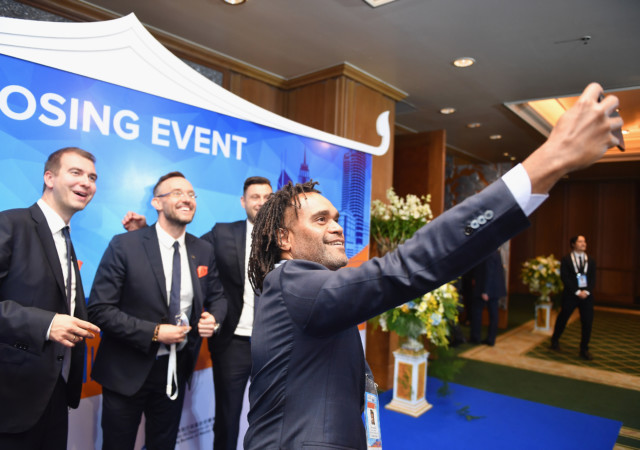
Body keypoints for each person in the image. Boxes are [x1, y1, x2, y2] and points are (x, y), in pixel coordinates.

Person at [243, 83, 622, 450]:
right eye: (321, 219)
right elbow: (407, 267)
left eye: (337, 217)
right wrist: (552, 158)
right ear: (284, 240)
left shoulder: (309, 290)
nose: (338, 226)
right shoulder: (290, 281)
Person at [88, 171, 227, 450]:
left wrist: (215, 319)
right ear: (156, 203)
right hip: (126, 369)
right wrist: (153, 332)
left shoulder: (203, 250)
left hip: (175, 370)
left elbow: (219, 297)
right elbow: (99, 309)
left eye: (191, 194)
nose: (186, 199)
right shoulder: (125, 245)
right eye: (177, 193)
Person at [0, 147, 101, 450]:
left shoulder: (65, 238)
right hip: (12, 400)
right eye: (76, 172)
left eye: (92, 177)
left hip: (56, 394)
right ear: (49, 178)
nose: (86, 182)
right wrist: (47, 324)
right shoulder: (11, 224)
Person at [200, 176, 272, 450]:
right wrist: (143, 232)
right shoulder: (222, 233)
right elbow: (186, 247)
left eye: (267, 197)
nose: (261, 203)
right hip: (234, 343)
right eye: (255, 197)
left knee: (271, 416)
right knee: (228, 418)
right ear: (243, 202)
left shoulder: (288, 238)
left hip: (275, 344)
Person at [550, 235, 596, 360]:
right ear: (573, 244)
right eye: (580, 241)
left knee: (587, 322)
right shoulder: (566, 259)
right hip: (571, 295)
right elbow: (565, 277)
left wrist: (586, 292)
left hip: (587, 296)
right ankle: (555, 340)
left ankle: (584, 349)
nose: (583, 243)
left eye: (584, 241)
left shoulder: (590, 260)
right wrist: (576, 291)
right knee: (563, 318)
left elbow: (592, 279)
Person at [469, 249, 507, 346]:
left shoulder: (489, 252)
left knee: (478, 312)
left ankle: (476, 337)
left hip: (486, 289)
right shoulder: (496, 251)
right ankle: (490, 339)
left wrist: (486, 291)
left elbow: (489, 272)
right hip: (494, 289)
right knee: (493, 314)